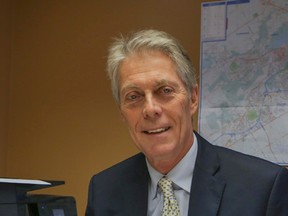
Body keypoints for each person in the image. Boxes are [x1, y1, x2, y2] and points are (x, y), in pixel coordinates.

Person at [85, 29, 288, 216]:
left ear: (193, 98)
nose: (150, 109)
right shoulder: (103, 190)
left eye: (165, 91)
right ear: (122, 112)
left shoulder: (263, 188)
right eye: (133, 96)